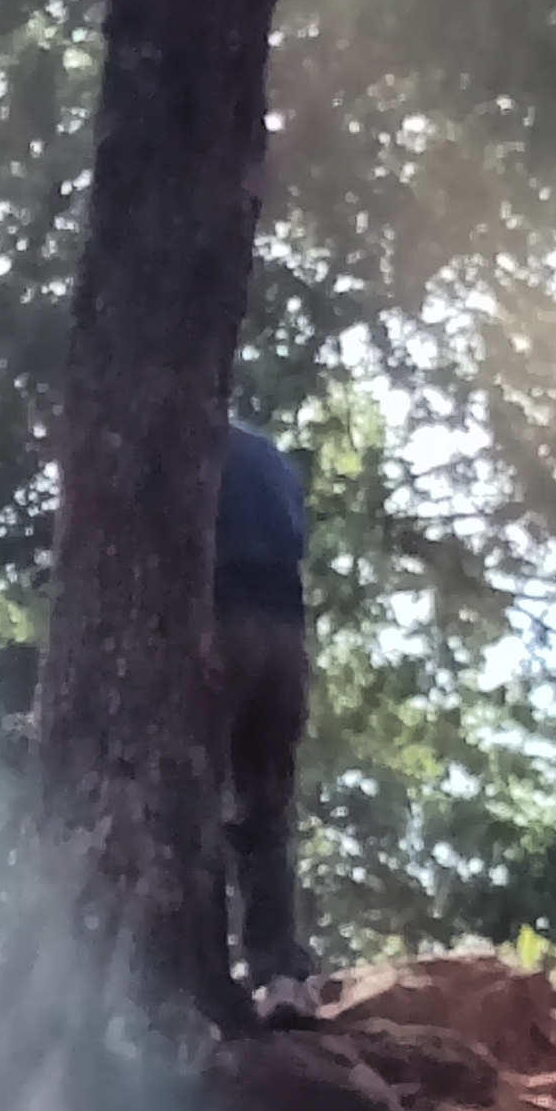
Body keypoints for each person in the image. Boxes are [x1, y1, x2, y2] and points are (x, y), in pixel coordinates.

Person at [217, 415, 313, 1005]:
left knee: (189, 799)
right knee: (265, 814)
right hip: (286, 641)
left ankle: (193, 962)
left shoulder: (186, 442)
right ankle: (279, 975)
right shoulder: (273, 460)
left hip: (221, 627)